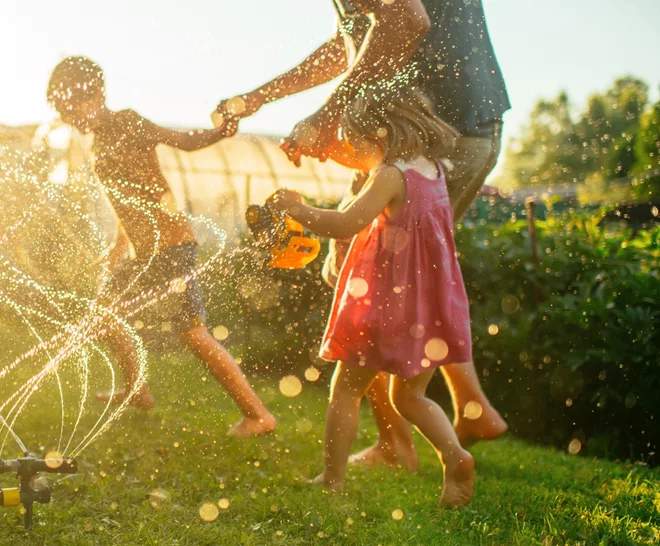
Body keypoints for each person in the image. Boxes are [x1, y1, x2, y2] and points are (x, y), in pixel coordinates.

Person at [226, 0, 509, 466]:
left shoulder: (394, 167)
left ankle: (396, 444)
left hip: (445, 121)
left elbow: (406, 21)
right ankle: (471, 406)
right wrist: (262, 97)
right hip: (466, 127)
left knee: (357, 285)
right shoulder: (421, 167)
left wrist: (323, 123)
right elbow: (354, 43)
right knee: (416, 279)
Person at [46, 56, 277, 437]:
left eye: (71, 107)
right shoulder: (98, 140)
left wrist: (221, 132)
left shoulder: (126, 121)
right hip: (144, 253)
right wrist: (120, 245)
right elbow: (130, 196)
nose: (69, 117)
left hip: (171, 246)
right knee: (105, 315)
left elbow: (184, 142)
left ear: (95, 95)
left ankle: (257, 415)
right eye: (62, 110)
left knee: (191, 333)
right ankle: (137, 390)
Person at [269, 87, 475, 507]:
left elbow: (347, 223)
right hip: (430, 309)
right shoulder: (434, 170)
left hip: (387, 306)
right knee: (410, 397)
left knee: (345, 390)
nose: (351, 151)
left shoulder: (389, 175)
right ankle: (455, 457)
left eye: (353, 142)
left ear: (377, 137)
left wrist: (297, 209)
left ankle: (332, 479)